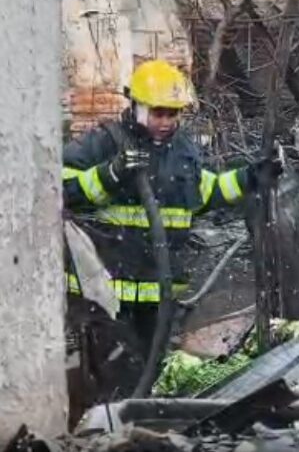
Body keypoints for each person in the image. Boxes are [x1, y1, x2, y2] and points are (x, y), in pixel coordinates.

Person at [63, 60, 277, 349]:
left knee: (148, 374)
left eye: (172, 114)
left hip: (158, 293)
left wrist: (249, 177)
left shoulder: (182, 150)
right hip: (105, 293)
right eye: (157, 113)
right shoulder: (104, 143)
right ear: (136, 105)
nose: (165, 122)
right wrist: (110, 174)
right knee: (111, 376)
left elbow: (203, 192)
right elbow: (58, 189)